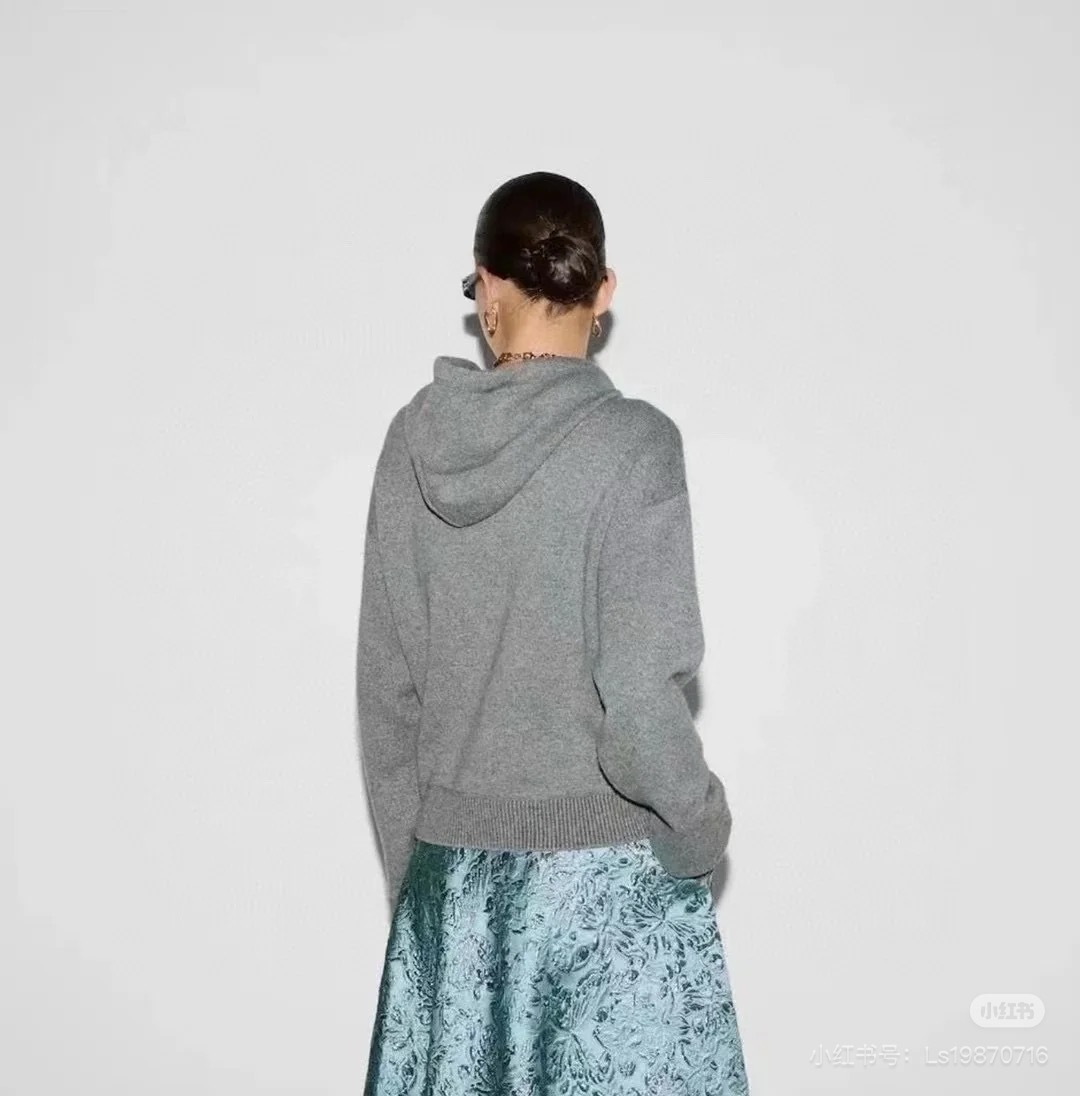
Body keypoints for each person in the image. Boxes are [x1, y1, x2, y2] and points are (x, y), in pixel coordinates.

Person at [358, 171, 749, 1094]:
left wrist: (424, 889)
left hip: (452, 893)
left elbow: (388, 698)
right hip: (603, 904)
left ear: (488, 288)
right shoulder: (634, 446)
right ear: (602, 291)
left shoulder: (411, 443)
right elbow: (639, 699)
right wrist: (701, 830)